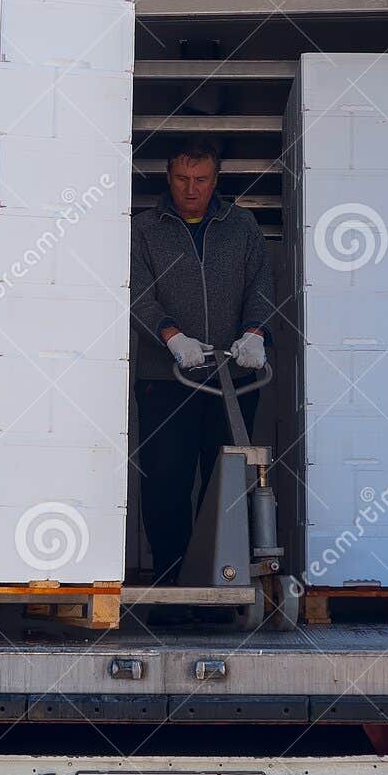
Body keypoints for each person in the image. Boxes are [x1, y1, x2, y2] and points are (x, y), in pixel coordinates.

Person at [131, 136, 275, 589]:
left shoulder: (243, 226)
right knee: (167, 480)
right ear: (167, 176)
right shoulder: (144, 229)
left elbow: (263, 285)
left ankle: (216, 579)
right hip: (166, 377)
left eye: (201, 179)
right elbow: (136, 293)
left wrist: (256, 332)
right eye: (181, 178)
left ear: (216, 179)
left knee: (225, 481)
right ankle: (170, 581)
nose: (191, 189)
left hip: (230, 380)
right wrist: (171, 337)